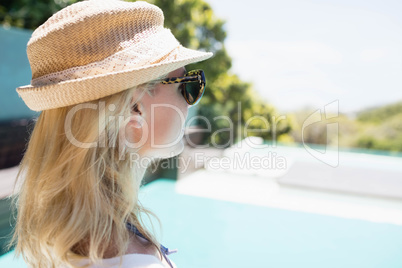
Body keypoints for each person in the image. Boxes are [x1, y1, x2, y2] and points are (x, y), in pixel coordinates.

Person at [11, 0, 212, 267]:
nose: (191, 101)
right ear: (135, 108)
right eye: (188, 85)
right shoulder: (132, 261)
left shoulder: (61, 234)